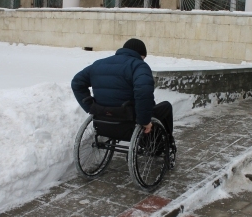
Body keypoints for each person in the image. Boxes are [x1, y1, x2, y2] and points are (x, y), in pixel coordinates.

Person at [71, 38, 176, 166]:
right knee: (166, 107)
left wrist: (91, 107)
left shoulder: (99, 64)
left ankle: (153, 141)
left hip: (103, 119)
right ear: (141, 55)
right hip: (129, 118)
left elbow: (77, 83)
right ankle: (165, 143)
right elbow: (143, 91)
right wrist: (145, 121)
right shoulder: (138, 65)